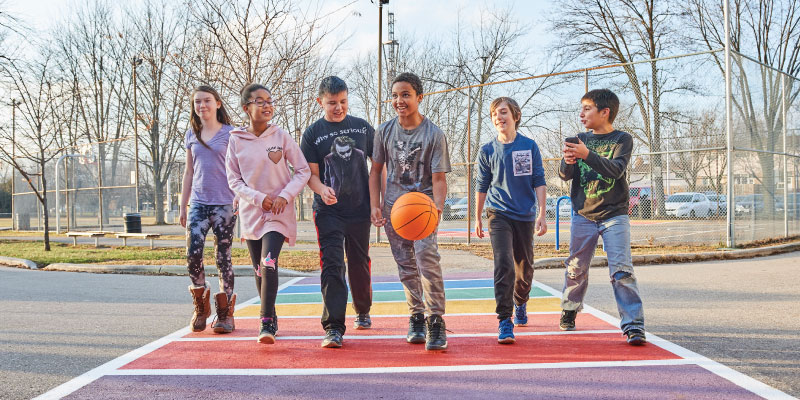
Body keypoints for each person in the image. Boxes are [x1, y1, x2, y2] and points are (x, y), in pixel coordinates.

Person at [369, 72, 451, 351]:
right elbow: (376, 171)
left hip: (423, 206)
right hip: (395, 208)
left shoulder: (434, 134)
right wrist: (375, 204)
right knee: (405, 264)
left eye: (405, 95)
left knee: (427, 258)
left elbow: (439, 178)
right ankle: (416, 315)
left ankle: (436, 320)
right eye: (394, 95)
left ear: (419, 97)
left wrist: (438, 207)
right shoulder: (384, 131)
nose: (399, 100)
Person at [558, 88, 646, 345]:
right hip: (583, 215)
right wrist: (568, 161)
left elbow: (616, 171)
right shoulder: (579, 138)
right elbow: (565, 175)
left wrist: (587, 154)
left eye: (587, 108)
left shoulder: (622, 139)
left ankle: (633, 325)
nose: (581, 113)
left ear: (604, 112)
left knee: (621, 270)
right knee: (576, 268)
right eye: (581, 108)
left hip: (614, 216)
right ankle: (570, 308)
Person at [226, 83, 310, 344]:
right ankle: (271, 316)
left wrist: (284, 196)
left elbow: (303, 170)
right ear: (246, 108)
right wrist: (258, 198)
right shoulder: (236, 140)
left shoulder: (281, 136)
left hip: (278, 213)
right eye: (259, 101)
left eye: (270, 101)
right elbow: (234, 180)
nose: (266, 105)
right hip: (252, 213)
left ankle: (264, 323)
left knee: (268, 262)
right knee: (259, 269)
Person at [300, 76, 375, 348]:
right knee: (332, 264)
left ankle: (363, 308)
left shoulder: (363, 128)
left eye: (343, 101)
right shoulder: (312, 134)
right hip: (328, 212)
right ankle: (333, 327)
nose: (338, 107)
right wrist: (321, 190)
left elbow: (377, 167)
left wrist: (377, 202)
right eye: (332, 103)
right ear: (320, 101)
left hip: (359, 210)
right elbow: (311, 175)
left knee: (358, 261)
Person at [475, 97, 547, 344]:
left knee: (524, 269)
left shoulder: (529, 146)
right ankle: (505, 320)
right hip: (498, 213)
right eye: (494, 113)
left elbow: (538, 179)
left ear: (515, 115)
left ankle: (521, 301)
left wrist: (542, 213)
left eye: (503, 112)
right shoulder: (487, 150)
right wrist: (477, 217)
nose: (498, 117)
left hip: (525, 214)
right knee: (503, 262)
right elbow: (482, 185)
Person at [180, 85, 237, 334]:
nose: (202, 106)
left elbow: (239, 169)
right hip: (199, 203)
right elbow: (189, 172)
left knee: (222, 257)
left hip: (225, 203)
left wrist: (239, 198)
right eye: (197, 103)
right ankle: (201, 306)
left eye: (206, 101)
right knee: (193, 254)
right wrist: (183, 204)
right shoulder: (192, 134)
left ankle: (225, 313)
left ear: (217, 104)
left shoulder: (231, 133)